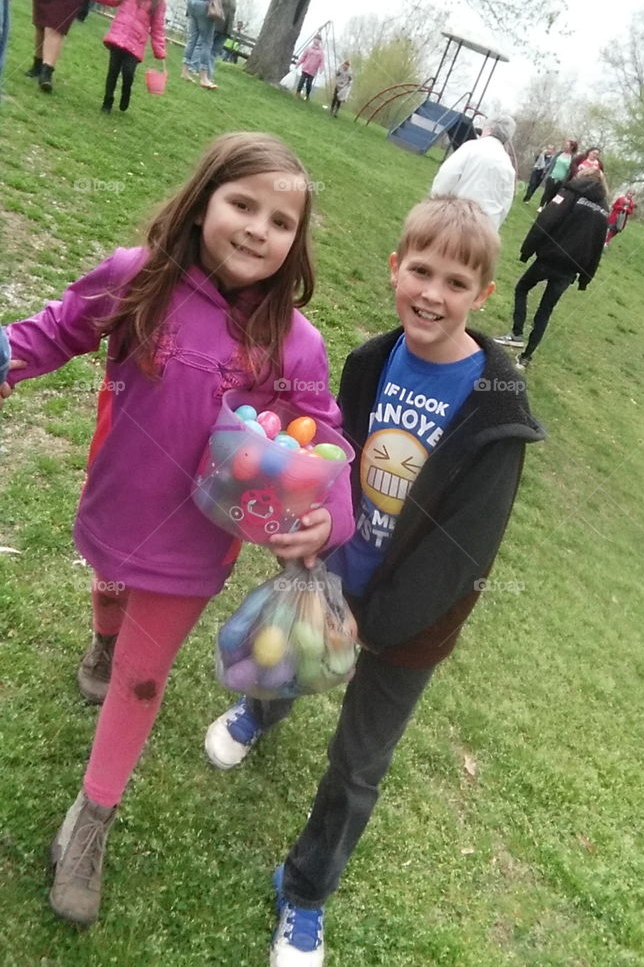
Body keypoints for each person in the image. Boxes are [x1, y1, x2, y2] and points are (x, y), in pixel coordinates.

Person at [0, 132, 354, 927]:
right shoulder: (138, 280)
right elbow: (57, 329)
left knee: (143, 677)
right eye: (242, 204)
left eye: (280, 220)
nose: (259, 229)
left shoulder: (294, 344)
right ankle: (101, 636)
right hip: (118, 504)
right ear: (202, 205)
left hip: (199, 541)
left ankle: (89, 822)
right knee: (111, 587)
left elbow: (323, 435)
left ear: (296, 242)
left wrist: (328, 514)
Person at [205, 195, 545, 967]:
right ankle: (259, 713)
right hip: (330, 571)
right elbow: (329, 456)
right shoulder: (366, 362)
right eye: (419, 271)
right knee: (285, 659)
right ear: (395, 268)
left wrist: (381, 626)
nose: (432, 293)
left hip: (410, 622)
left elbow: (467, 545)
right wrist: (305, 523)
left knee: (359, 764)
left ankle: (304, 893)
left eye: (456, 283)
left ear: (482, 296)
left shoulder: (496, 408)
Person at [495, 162, 609, 369]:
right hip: (570, 268)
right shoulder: (603, 210)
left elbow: (546, 220)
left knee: (522, 288)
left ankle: (517, 333)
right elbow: (597, 246)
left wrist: (527, 249)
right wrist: (585, 278)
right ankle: (526, 357)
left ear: (583, 176)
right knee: (545, 310)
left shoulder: (569, 193)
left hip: (550, 258)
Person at [87, 0, 166, 114]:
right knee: (113, 71)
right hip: (118, 36)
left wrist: (159, 49)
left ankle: (126, 92)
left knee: (128, 71)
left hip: (136, 42)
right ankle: (107, 101)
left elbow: (158, 26)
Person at [429, 111, 517, 231]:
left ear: (489, 129)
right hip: (484, 229)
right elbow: (505, 204)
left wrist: (434, 204)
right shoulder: (508, 166)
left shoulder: (471, 148)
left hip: (455, 219)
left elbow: (447, 177)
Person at [180, 0, 222, 89]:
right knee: (206, 41)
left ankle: (185, 70)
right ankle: (204, 76)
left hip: (192, 2)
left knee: (192, 39)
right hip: (204, 5)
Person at [209, 0, 236, 79]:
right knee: (207, 47)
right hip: (216, 25)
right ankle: (198, 68)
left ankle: (208, 73)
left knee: (215, 52)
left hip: (225, 29)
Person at [538, 138, 578, 208]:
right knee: (547, 192)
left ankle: (547, 207)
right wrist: (547, 173)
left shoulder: (572, 158)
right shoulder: (559, 153)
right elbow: (552, 164)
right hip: (552, 175)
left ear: (571, 147)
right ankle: (541, 206)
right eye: (565, 144)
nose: (565, 146)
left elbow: (570, 170)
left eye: (567, 145)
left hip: (561, 179)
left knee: (554, 195)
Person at [295, 34, 324, 100]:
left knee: (309, 84)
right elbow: (303, 56)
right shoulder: (309, 48)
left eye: (318, 40)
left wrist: (321, 69)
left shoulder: (321, 52)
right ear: (313, 40)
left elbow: (322, 61)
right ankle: (297, 93)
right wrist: (298, 63)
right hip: (305, 68)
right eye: (316, 39)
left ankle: (307, 95)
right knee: (301, 81)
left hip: (313, 71)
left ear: (320, 41)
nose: (317, 41)